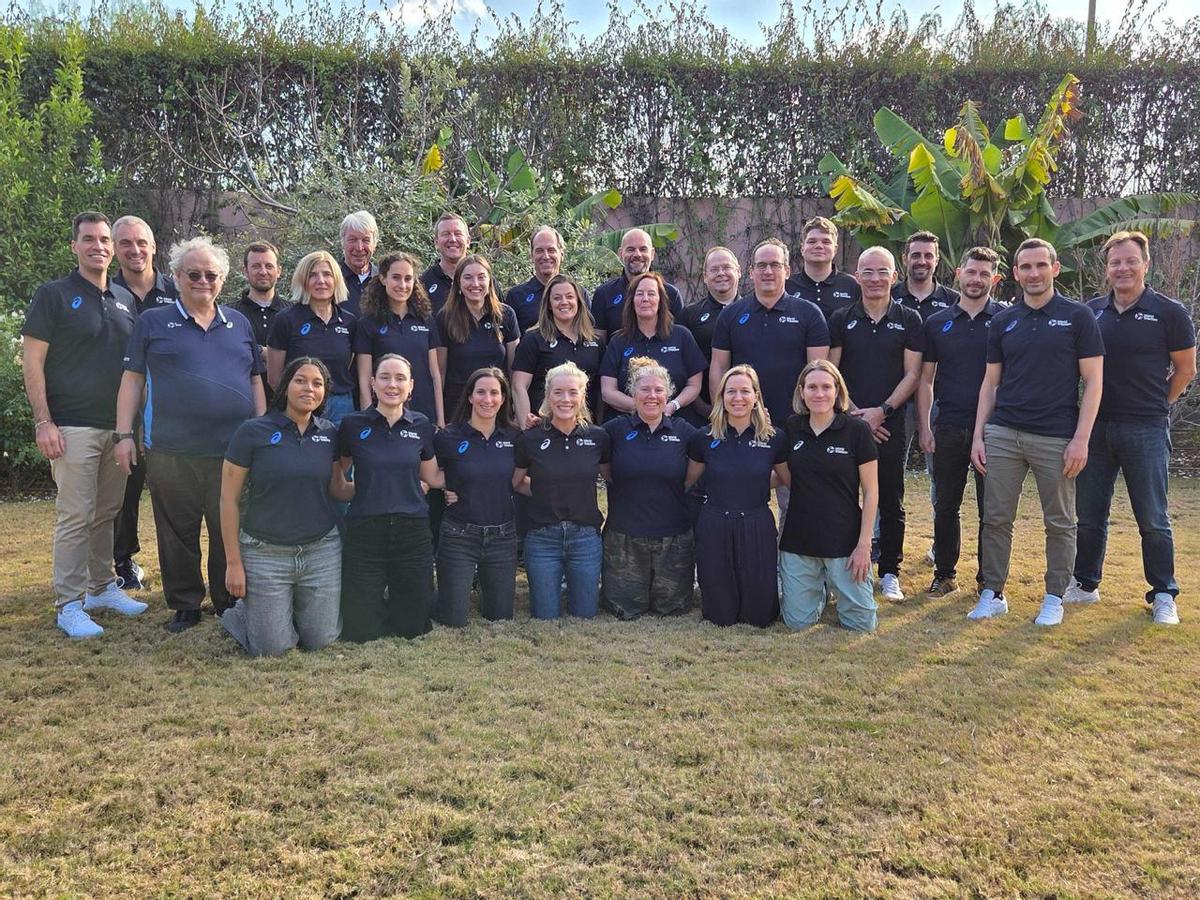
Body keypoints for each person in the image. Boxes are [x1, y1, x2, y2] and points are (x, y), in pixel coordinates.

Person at [115, 236, 266, 632]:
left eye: (211, 275)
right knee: (177, 530)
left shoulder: (239, 323)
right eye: (193, 274)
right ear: (177, 276)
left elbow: (255, 382)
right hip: (170, 449)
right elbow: (132, 381)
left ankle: (225, 599)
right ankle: (185, 603)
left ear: (223, 279)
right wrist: (123, 435)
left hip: (231, 451)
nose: (203, 281)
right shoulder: (153, 322)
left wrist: (262, 433)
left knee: (225, 526)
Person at [21, 211, 146, 639]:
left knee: (106, 512)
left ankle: (101, 587)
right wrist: (44, 421)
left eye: (105, 239)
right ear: (74, 245)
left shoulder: (125, 299)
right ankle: (69, 604)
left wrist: (128, 428)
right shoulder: (54, 295)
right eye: (89, 239)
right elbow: (32, 360)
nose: (99, 246)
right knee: (75, 515)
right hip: (70, 426)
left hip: (116, 428)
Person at [970, 238, 1104, 626]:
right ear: (1015, 274)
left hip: (1056, 436)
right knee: (995, 519)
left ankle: (1054, 597)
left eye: (1040, 265)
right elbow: (990, 384)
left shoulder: (1078, 318)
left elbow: (1093, 382)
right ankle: (993, 593)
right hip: (1004, 434)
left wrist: (1081, 438)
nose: (1033, 273)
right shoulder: (1003, 320)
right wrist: (980, 435)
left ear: (1054, 268)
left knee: (1060, 521)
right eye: (1025, 267)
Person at [1067, 230, 1196, 625]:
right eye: (1115, 262)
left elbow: (1186, 369)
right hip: (1097, 427)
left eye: (1130, 260)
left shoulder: (1170, 312)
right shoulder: (1090, 313)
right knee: (1089, 514)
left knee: (1152, 517)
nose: (1122, 268)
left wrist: (1160, 404)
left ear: (1146, 263)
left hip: (1146, 429)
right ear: (1106, 269)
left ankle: (1163, 593)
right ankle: (1085, 584)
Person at [218, 357, 343, 656]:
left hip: (320, 551)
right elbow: (228, 499)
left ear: (325, 392)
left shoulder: (331, 434)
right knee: (272, 649)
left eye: (317, 383)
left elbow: (338, 488)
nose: (309, 389)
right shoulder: (252, 432)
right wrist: (234, 563)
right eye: (300, 380)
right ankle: (240, 613)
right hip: (265, 553)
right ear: (285, 385)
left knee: (321, 641)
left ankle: (283, 610)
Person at [828, 246, 924, 602]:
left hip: (890, 425)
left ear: (894, 277)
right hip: (847, 423)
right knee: (843, 497)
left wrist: (881, 411)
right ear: (857, 277)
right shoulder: (841, 318)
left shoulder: (909, 319)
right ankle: (843, 568)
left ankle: (889, 572)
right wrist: (855, 414)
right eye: (867, 272)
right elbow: (831, 372)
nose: (874, 279)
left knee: (888, 498)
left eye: (882, 272)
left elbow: (913, 374)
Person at [917, 247, 1004, 597]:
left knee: (991, 509)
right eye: (971, 272)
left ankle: (988, 579)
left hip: (995, 429)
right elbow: (925, 380)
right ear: (958, 273)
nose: (977, 279)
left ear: (995, 279)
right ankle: (945, 573)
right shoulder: (938, 323)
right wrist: (924, 425)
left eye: (985, 274)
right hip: (948, 426)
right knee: (946, 505)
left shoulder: (1005, 321)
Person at [337, 354, 443, 641]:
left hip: (412, 530)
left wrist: (470, 483)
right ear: (373, 383)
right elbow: (339, 475)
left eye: (400, 378)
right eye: (385, 377)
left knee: (412, 627)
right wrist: (349, 491)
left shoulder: (421, 424)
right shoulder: (352, 425)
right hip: (365, 530)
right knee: (360, 631)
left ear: (411, 386)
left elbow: (432, 477)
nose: (392, 384)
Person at [777, 360, 879, 632]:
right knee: (798, 623)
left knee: (861, 625)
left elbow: (871, 492)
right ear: (802, 392)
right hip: (800, 541)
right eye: (812, 387)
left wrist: (863, 546)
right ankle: (820, 589)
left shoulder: (856, 431)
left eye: (826, 387)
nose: (819, 393)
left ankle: (834, 583)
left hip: (844, 543)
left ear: (838, 391)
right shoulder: (792, 427)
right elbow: (783, 476)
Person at [685, 365, 787, 627]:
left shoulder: (774, 438)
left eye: (745, 391)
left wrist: (755, 481)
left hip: (756, 522)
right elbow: (687, 481)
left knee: (760, 616)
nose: (738, 398)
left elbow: (787, 479)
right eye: (731, 391)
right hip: (715, 522)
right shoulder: (704, 438)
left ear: (756, 397)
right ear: (721, 397)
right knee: (721, 616)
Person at [110, 215, 179, 592]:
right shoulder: (107, 292)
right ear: (116, 249)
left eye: (141, 242)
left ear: (154, 246)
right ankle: (123, 561)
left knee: (172, 488)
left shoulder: (177, 289)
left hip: (170, 407)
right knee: (126, 487)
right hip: (125, 403)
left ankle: (180, 565)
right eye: (126, 243)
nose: (135, 250)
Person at [600, 356, 697, 618]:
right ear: (633, 393)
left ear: (668, 394)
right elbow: (606, 471)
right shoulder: (613, 431)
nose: (651, 396)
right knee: (624, 608)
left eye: (658, 390)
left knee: (672, 609)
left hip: (673, 538)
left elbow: (693, 475)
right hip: (624, 538)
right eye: (644, 389)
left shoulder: (686, 432)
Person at [513, 362, 610, 619]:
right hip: (542, 536)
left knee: (585, 614)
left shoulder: (599, 437)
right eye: (558, 392)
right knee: (545, 615)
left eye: (572, 392)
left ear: (582, 395)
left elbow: (610, 478)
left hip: (585, 538)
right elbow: (516, 482)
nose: (565, 399)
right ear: (547, 395)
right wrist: (546, 491)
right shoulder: (530, 438)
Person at [433, 367, 519, 626]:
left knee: (500, 616)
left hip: (502, 537)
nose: (487, 399)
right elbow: (431, 475)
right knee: (453, 619)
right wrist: (444, 489)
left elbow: (522, 478)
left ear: (503, 398)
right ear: (470, 396)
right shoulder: (448, 436)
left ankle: (486, 587)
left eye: (495, 393)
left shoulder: (515, 437)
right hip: (459, 535)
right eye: (481, 392)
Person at [599, 272, 706, 425]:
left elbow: (694, 385)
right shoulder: (618, 341)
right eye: (640, 294)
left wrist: (671, 406)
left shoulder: (682, 336)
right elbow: (607, 392)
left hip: (676, 423)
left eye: (651, 294)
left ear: (660, 300)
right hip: (628, 426)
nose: (645, 299)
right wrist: (645, 408)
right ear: (632, 300)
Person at [266, 250, 358, 425]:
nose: (321, 281)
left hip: (341, 406)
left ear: (336, 279)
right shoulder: (285, 320)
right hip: (300, 403)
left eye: (327, 274)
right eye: (313, 275)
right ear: (303, 280)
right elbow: (275, 378)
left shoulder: (349, 321)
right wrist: (298, 403)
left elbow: (347, 364)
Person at [354, 251, 445, 426]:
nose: (402, 285)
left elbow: (435, 375)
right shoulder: (367, 323)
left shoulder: (426, 320)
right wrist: (367, 420)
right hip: (383, 415)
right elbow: (364, 379)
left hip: (424, 414)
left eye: (408, 278)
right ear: (382, 278)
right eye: (396, 277)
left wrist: (440, 420)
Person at [512, 273, 603, 426]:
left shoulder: (595, 342)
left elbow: (600, 390)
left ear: (579, 301)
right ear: (548, 304)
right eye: (557, 298)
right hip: (544, 427)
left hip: (586, 430)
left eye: (569, 297)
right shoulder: (533, 340)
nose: (564, 302)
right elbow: (519, 386)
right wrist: (525, 428)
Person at [435, 254, 519, 416]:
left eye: (481, 277)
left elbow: (515, 371)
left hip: (496, 408)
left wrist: (516, 411)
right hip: (457, 409)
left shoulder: (506, 315)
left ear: (489, 282)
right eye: (468, 278)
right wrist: (439, 419)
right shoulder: (445, 317)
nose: (475, 284)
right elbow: (440, 373)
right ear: (458, 283)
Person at [678, 246, 741, 420]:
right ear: (705, 276)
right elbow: (681, 365)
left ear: (739, 271)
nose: (721, 273)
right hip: (702, 411)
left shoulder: (753, 312)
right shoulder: (690, 315)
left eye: (726, 267)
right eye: (714, 269)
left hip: (747, 407)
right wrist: (701, 406)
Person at [590, 227, 684, 340]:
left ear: (652, 253)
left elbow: (680, 341)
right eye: (630, 249)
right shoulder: (603, 294)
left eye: (643, 249)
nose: (637, 254)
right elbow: (598, 343)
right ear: (620, 253)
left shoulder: (671, 294)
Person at [233, 240, 287, 405]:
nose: (263, 271)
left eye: (269, 266)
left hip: (287, 406)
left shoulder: (294, 313)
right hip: (243, 404)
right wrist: (262, 351)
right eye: (256, 266)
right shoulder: (230, 315)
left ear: (279, 271)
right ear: (245, 270)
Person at [784, 216, 861, 322]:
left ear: (835, 249)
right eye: (812, 241)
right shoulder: (786, 286)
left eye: (826, 242)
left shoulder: (853, 286)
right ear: (802, 249)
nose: (819, 246)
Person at [504, 226, 572, 332]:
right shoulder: (516, 297)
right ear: (532, 255)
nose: (546, 256)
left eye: (551, 250)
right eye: (539, 251)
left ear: (561, 254)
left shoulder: (579, 295)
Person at [421, 212, 470, 314]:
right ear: (436, 242)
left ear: (468, 241)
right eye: (445, 234)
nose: (452, 239)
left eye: (458, 233)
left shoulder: (484, 281)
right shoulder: (423, 284)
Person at [337, 210, 379, 317]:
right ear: (342, 242)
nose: (359, 248)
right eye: (352, 240)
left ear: (374, 243)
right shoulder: (330, 279)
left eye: (366, 240)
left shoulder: (385, 280)